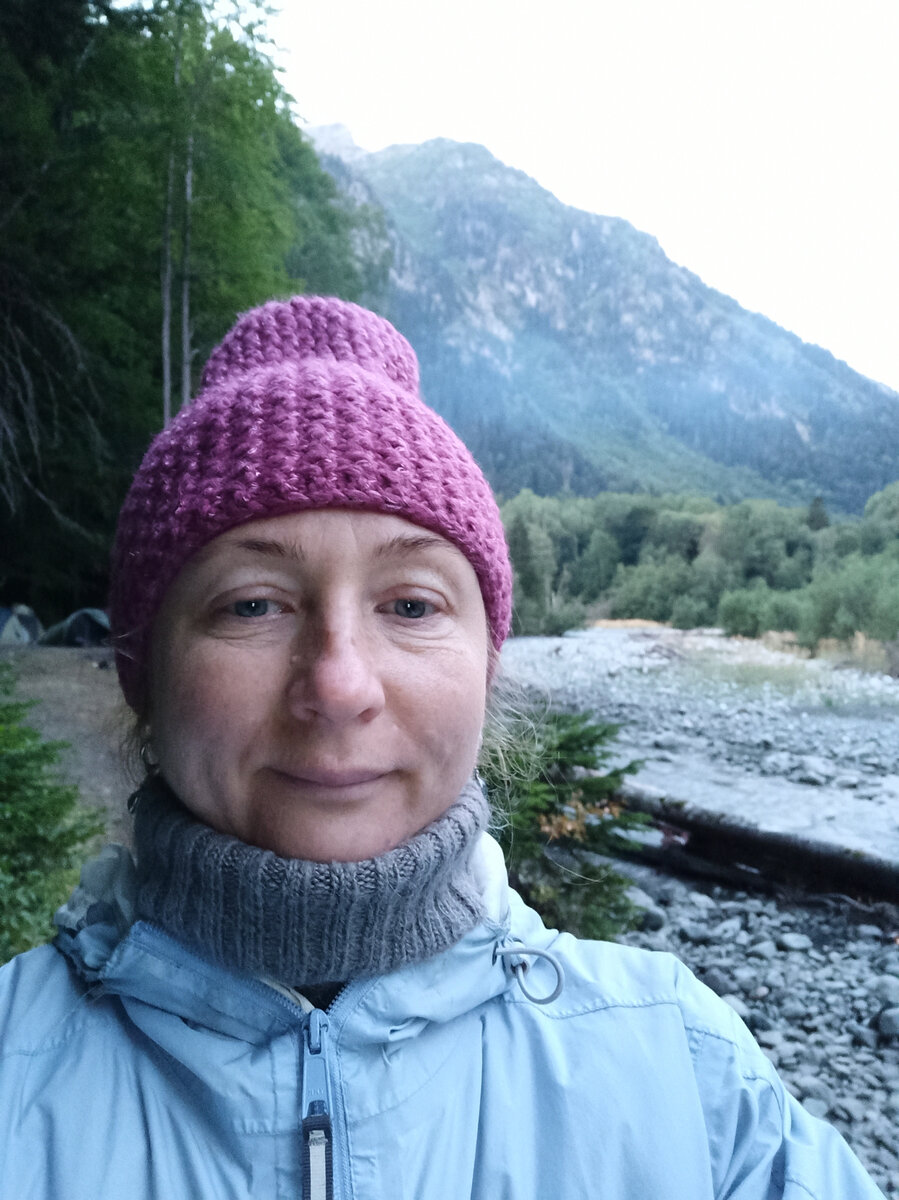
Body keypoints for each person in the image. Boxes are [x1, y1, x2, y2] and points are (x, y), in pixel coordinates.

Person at [0, 295, 885, 1199]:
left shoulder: (692, 1085)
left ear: (486, 670)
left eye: (411, 605)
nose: (339, 685)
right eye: (253, 604)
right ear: (141, 674)